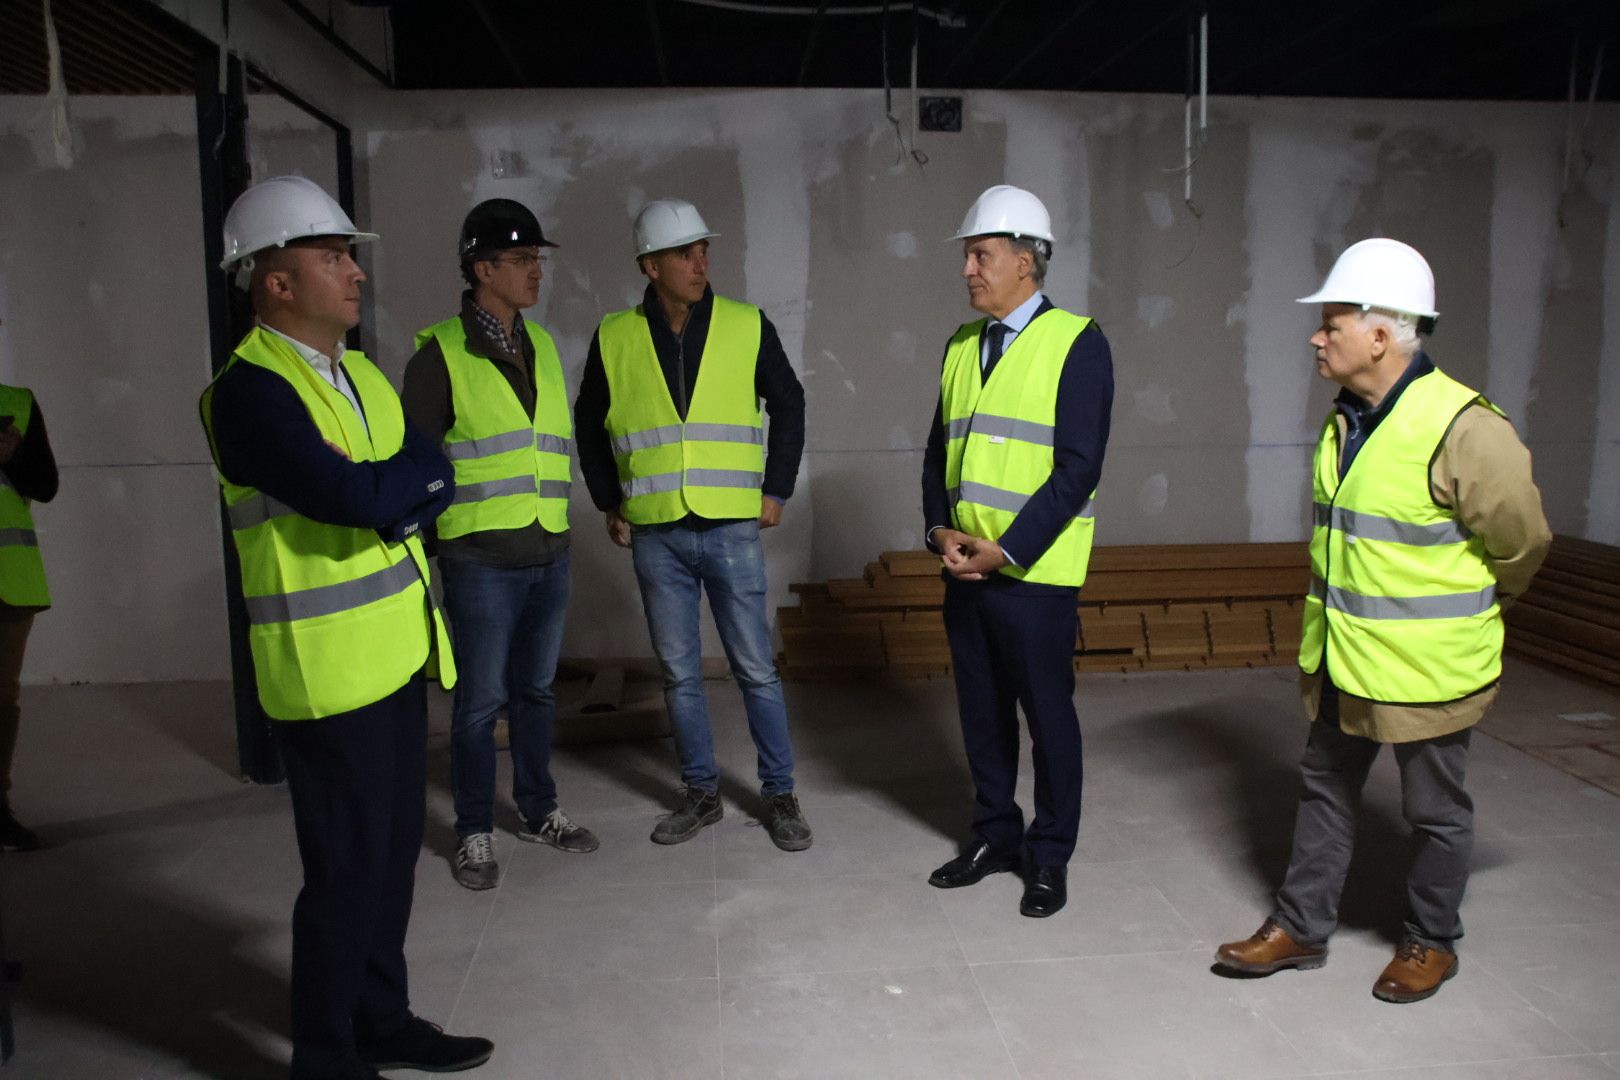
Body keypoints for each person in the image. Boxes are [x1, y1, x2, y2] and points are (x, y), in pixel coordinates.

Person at [200, 175, 492, 1079]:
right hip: (325, 678)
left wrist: (402, 486)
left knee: (393, 857)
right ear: (273, 282)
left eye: (349, 255)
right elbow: (358, 497)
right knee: (345, 874)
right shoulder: (247, 393)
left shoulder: (361, 372)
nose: (354, 272)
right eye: (331, 257)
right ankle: (326, 1058)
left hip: (397, 656)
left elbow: (423, 471)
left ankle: (380, 1017)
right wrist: (397, 488)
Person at [1214, 238, 1551, 1003]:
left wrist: (1470, 609)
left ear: (1380, 335)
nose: (1316, 335)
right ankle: (1301, 928)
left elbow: (1522, 542)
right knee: (1324, 792)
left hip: (1428, 669)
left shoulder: (1466, 427)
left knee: (1433, 810)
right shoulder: (1348, 420)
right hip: (1342, 660)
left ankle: (1431, 942)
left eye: (1330, 321)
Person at [574, 197, 812, 851]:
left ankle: (780, 794)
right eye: (686, 252)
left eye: (703, 249)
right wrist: (608, 499)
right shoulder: (616, 335)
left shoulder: (744, 324)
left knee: (755, 669)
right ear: (651, 265)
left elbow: (788, 403)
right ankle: (702, 794)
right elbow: (590, 420)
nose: (700, 260)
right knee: (679, 674)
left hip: (732, 526)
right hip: (657, 531)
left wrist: (776, 488)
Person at [921, 184, 1114, 919]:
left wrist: (1006, 551)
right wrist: (939, 532)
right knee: (981, 715)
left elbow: (1078, 469)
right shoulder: (961, 345)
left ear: (1027, 263)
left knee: (1048, 719)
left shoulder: (1078, 343)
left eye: (981, 255)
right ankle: (994, 836)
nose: (968, 270)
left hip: (1033, 576)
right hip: (964, 568)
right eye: (968, 257)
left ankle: (1049, 854)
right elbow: (940, 452)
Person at [404, 198, 596, 892]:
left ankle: (540, 810)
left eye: (536, 259)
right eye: (520, 260)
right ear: (482, 269)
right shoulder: (438, 353)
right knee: (480, 704)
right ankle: (475, 831)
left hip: (549, 548)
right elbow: (416, 465)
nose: (535, 272)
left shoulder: (541, 344)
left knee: (537, 694)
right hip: (480, 559)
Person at [0, 381, 58, 853]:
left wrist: (14, 456)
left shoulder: (16, 403)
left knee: (2, 701)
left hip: (8, 579)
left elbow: (46, 485)